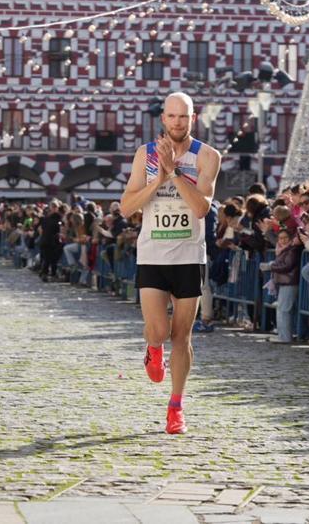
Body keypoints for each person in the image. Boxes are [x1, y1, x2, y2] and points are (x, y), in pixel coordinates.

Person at [120, 92, 221, 435]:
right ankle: (152, 348)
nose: (177, 122)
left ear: (194, 118)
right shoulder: (145, 155)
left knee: (182, 336)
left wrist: (175, 174)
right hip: (151, 255)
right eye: (172, 116)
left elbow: (201, 208)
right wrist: (158, 180)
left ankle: (176, 407)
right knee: (159, 331)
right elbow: (126, 206)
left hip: (189, 257)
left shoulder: (208, 156)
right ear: (163, 118)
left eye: (184, 117)